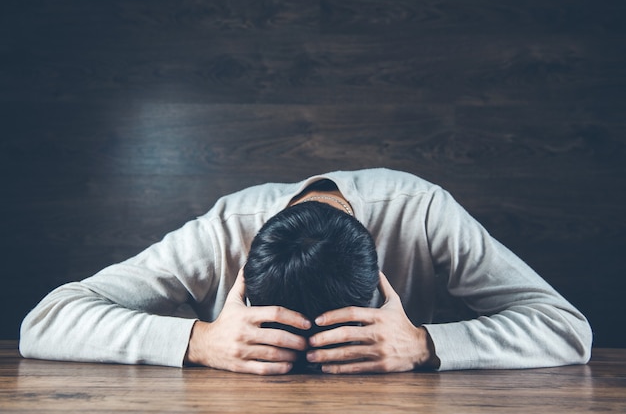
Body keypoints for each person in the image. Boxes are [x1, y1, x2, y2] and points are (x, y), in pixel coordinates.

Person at [19, 168, 592, 375]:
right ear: (246, 266)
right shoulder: (222, 231)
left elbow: (567, 328)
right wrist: (199, 341)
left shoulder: (423, 212)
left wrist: (424, 345)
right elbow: (44, 323)